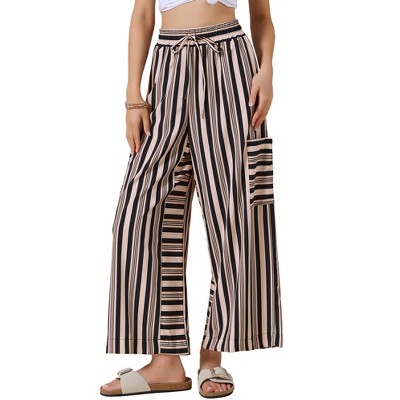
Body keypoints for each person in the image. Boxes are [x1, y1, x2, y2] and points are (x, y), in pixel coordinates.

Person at [100, 0, 283, 397]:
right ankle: (165, 360)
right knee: (137, 215)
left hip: (230, 65)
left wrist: (266, 69)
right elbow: (143, 15)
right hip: (169, 67)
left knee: (234, 214)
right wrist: (133, 95)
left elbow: (262, 16)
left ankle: (212, 355)